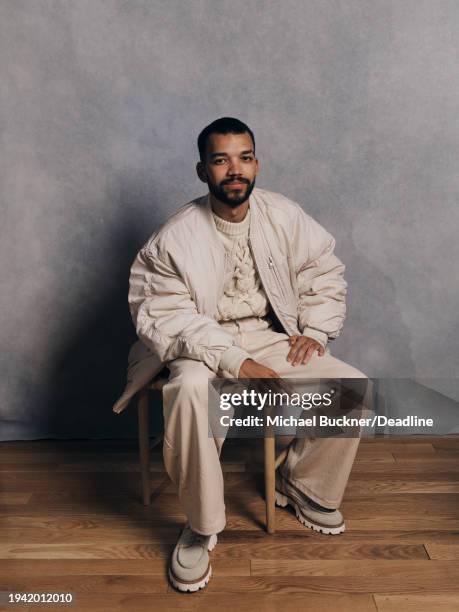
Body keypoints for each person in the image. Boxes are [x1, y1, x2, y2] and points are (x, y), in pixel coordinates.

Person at [127, 117, 370, 592]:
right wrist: (235, 363)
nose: (234, 170)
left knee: (351, 387)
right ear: (203, 171)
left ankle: (301, 485)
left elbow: (324, 269)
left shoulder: (283, 214)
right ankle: (200, 527)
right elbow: (166, 318)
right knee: (193, 390)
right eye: (221, 160)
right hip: (198, 342)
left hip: (266, 334)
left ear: (256, 163)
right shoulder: (172, 238)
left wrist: (315, 329)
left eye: (244, 157)